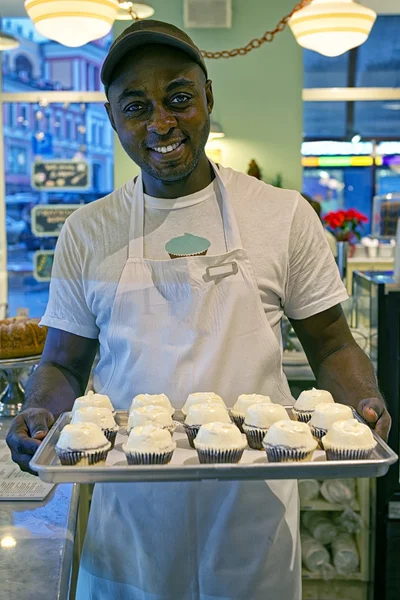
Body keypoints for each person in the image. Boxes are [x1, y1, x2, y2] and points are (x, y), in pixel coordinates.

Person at [7, 20, 391, 600]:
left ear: (208, 97)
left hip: (251, 513)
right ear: (113, 120)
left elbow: (332, 341)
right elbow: (63, 362)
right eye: (136, 107)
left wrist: (362, 400)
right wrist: (39, 413)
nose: (160, 123)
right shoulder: (89, 231)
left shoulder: (282, 216)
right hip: (127, 517)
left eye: (178, 98)